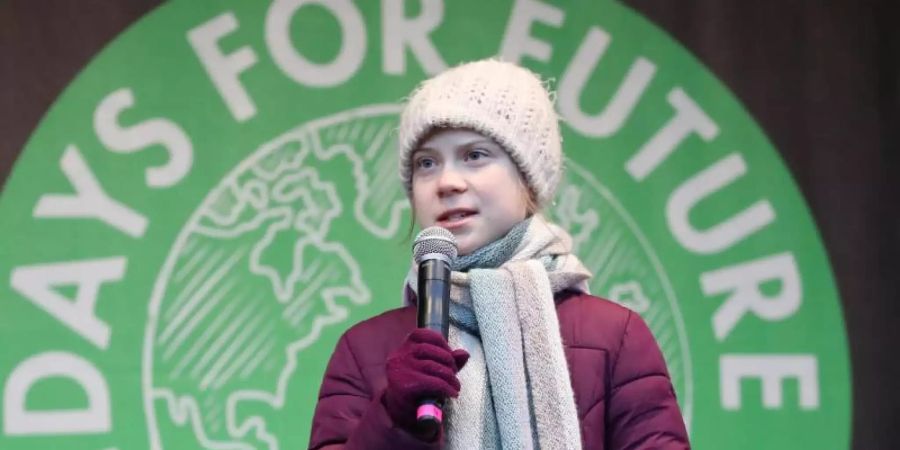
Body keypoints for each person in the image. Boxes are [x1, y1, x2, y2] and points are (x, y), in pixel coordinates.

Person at [308, 59, 690, 449]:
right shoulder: (363, 348)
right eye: (426, 163)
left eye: (475, 155)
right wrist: (394, 419)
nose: (447, 182)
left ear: (527, 178)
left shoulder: (616, 336)